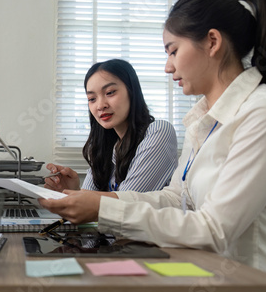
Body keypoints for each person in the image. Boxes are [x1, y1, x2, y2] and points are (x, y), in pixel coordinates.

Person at [40, 0, 266, 288]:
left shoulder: (263, 113)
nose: (168, 67)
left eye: (174, 51)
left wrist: (102, 208)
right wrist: (98, 200)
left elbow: (214, 229)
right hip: (198, 281)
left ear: (212, 42)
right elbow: (175, 198)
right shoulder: (204, 121)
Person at [44, 59, 178, 195]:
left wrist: (79, 196)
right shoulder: (105, 147)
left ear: (132, 91)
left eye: (110, 92)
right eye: (92, 99)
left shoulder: (159, 131)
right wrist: (72, 191)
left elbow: (125, 202)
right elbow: (89, 208)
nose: (100, 105)